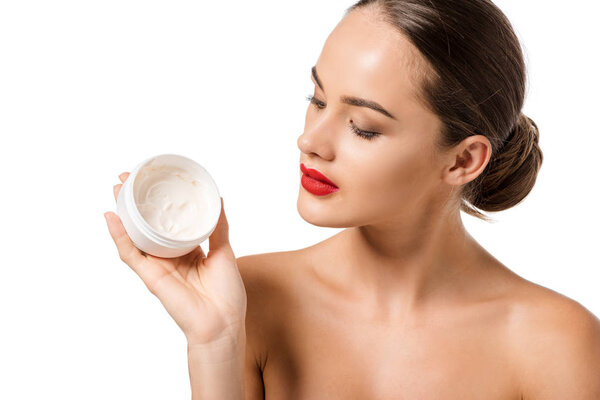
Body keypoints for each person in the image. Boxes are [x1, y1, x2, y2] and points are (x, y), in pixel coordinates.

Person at [104, 0, 600, 398]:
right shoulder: (248, 299)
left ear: (463, 161)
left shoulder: (556, 345)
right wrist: (214, 343)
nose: (311, 141)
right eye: (317, 100)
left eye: (363, 128)